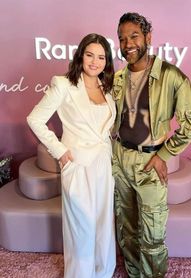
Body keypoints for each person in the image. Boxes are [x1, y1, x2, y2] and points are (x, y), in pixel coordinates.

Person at [112, 12, 191, 277]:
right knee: (127, 229)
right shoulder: (118, 78)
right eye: (122, 38)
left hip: (149, 163)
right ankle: (133, 272)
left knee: (152, 234)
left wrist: (164, 153)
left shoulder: (170, 76)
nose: (127, 43)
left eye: (133, 36)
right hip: (120, 160)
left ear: (148, 37)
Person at [27, 33, 116, 278]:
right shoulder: (64, 84)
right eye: (90, 55)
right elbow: (34, 119)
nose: (95, 62)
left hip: (103, 165)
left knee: (102, 224)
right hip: (77, 165)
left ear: (106, 61)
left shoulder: (106, 87)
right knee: (82, 227)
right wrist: (60, 151)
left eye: (101, 57)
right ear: (80, 56)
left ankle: (102, 272)